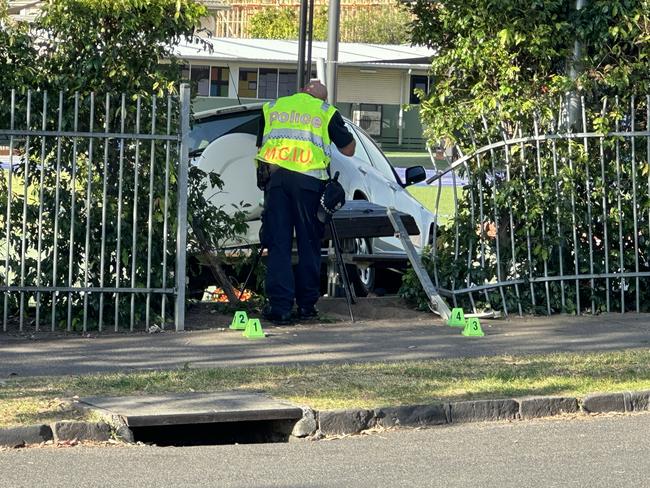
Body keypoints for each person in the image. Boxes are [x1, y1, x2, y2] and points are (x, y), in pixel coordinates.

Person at [256, 80, 356, 324]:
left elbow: (261, 145)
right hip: (309, 183)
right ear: (322, 98)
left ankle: (280, 308)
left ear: (301, 91)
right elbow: (349, 149)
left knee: (278, 244)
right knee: (308, 244)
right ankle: (306, 306)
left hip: (276, 180)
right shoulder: (325, 112)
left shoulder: (273, 107)